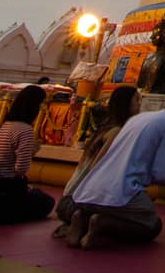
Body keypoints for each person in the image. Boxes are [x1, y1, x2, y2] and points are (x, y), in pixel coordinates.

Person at [62, 95, 165, 248]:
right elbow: (162, 173)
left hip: (90, 187)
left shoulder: (137, 119)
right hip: (122, 189)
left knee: (112, 209)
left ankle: (83, 218)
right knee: (152, 226)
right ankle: (102, 224)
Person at [55, 84, 139, 233]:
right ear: (126, 104)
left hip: (67, 202)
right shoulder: (116, 131)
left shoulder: (103, 129)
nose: (140, 106)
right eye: (137, 101)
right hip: (77, 204)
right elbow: (98, 169)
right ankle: (88, 222)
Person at [0, 85, 55, 225]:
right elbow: (20, 169)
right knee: (46, 201)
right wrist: (32, 151)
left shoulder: (3, 126)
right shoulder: (25, 130)